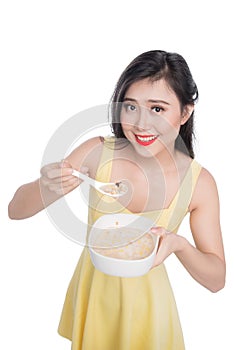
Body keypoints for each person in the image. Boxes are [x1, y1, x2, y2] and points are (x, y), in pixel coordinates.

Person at [8, 50, 226, 350]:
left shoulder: (199, 182)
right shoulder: (97, 153)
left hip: (151, 314)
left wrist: (179, 245)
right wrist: (47, 186)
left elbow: (217, 280)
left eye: (158, 109)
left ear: (185, 113)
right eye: (131, 107)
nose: (140, 123)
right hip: (95, 301)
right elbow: (14, 210)